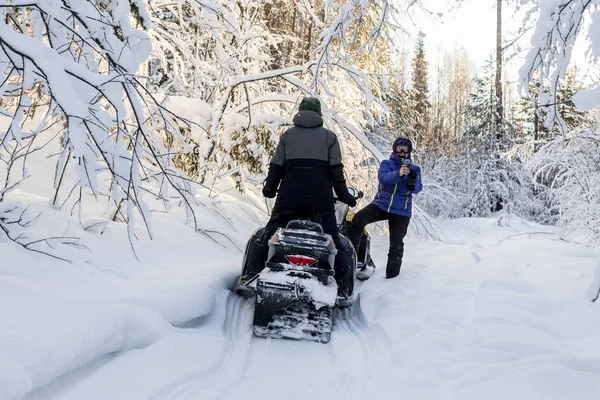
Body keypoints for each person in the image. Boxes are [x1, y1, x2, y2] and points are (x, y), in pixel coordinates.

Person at [243, 97, 357, 298]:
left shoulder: (287, 136)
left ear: (300, 112)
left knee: (270, 231)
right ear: (319, 115)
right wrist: (345, 196)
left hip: (290, 196)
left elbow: (276, 166)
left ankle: (251, 274)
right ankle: (342, 286)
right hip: (320, 199)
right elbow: (336, 172)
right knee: (333, 237)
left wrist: (269, 189)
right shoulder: (329, 137)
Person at [347, 137, 422, 279]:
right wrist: (399, 174)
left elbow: (417, 189)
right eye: (399, 148)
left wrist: (413, 180)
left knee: (396, 243)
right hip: (381, 204)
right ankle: (350, 261)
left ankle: (392, 278)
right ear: (394, 149)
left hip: (401, 210)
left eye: (405, 149)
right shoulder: (387, 164)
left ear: (409, 152)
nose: (402, 152)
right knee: (357, 220)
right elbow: (384, 178)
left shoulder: (415, 169)